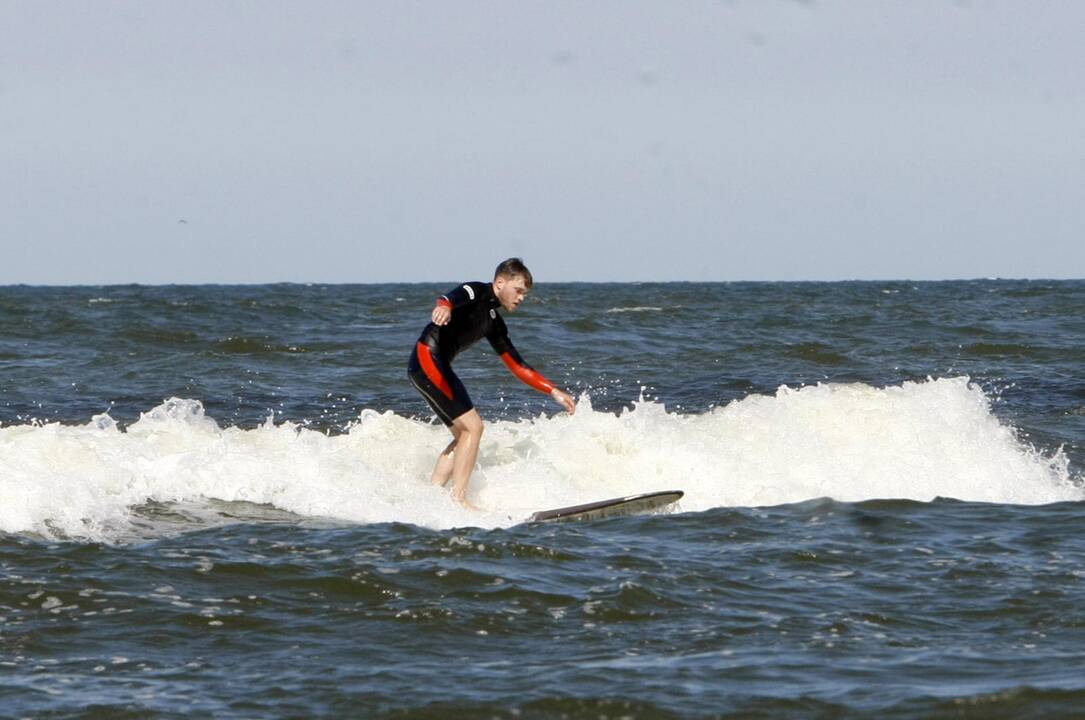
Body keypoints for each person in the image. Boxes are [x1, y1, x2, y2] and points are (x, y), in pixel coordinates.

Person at [407, 258, 576, 508]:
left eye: (525, 294)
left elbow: (517, 365)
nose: (521, 298)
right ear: (500, 283)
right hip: (427, 358)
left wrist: (553, 391)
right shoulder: (477, 291)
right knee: (474, 428)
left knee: (462, 435)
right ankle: (459, 499)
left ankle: (430, 499)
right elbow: (451, 297)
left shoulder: (494, 321)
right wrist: (444, 306)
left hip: (427, 366)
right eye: (518, 291)